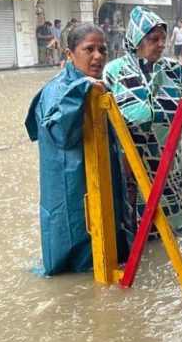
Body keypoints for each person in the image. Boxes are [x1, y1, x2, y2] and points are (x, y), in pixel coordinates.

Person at [25, 23, 131, 275]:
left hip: (105, 192)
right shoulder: (59, 91)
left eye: (102, 50)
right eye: (89, 49)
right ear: (70, 55)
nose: (97, 56)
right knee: (79, 265)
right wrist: (81, 89)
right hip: (74, 198)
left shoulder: (99, 87)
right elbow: (61, 133)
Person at [104, 6, 182, 235]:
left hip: (168, 161)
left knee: (169, 229)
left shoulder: (173, 70)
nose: (161, 44)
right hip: (131, 166)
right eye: (154, 39)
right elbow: (102, 115)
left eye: (163, 38)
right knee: (135, 230)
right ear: (137, 41)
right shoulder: (115, 72)